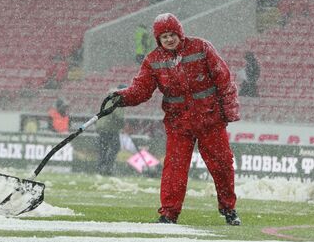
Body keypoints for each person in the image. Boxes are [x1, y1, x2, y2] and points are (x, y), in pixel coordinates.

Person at [109, 13, 241, 225]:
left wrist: (228, 111)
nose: (169, 40)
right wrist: (122, 97)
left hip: (210, 120)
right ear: (158, 40)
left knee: (222, 166)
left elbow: (223, 79)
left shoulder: (202, 48)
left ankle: (228, 208)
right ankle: (169, 214)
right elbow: (142, 89)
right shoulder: (153, 61)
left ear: (180, 33)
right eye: (164, 37)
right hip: (179, 123)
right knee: (174, 169)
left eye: (172, 35)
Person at [95, 85, 127, 175]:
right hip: (110, 128)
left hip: (102, 126)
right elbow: (119, 116)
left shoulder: (110, 96)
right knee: (115, 147)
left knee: (103, 148)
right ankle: (108, 167)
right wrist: (123, 126)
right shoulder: (118, 98)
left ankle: (101, 168)